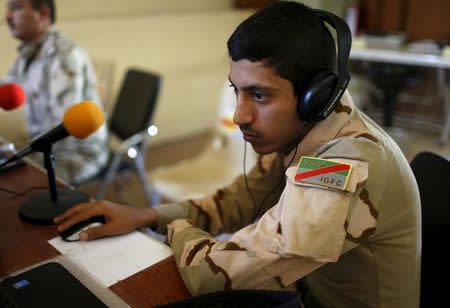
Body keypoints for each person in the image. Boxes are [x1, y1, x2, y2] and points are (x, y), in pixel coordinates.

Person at [54, 2, 421, 307]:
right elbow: (238, 200)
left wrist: (178, 229)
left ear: (315, 95)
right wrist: (148, 214)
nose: (239, 115)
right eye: (237, 91)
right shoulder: (307, 127)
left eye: (259, 95)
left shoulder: (342, 164)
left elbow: (215, 277)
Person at [1, 0, 108, 184]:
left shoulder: (62, 57)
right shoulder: (28, 54)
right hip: (47, 146)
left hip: (78, 153)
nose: (8, 16)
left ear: (42, 14)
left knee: (14, 180)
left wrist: (23, 154)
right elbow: (6, 88)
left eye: (16, 8)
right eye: (8, 8)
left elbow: (62, 130)